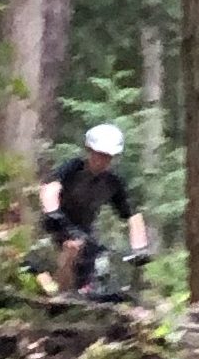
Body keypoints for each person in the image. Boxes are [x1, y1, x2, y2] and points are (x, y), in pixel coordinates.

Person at [40, 122, 150, 292]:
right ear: (89, 151)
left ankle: (82, 296)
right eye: (99, 154)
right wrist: (53, 213)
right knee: (72, 248)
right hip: (56, 225)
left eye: (108, 156)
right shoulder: (74, 168)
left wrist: (140, 248)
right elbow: (50, 188)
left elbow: (132, 215)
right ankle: (59, 294)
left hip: (84, 230)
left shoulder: (113, 182)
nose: (102, 160)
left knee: (99, 262)